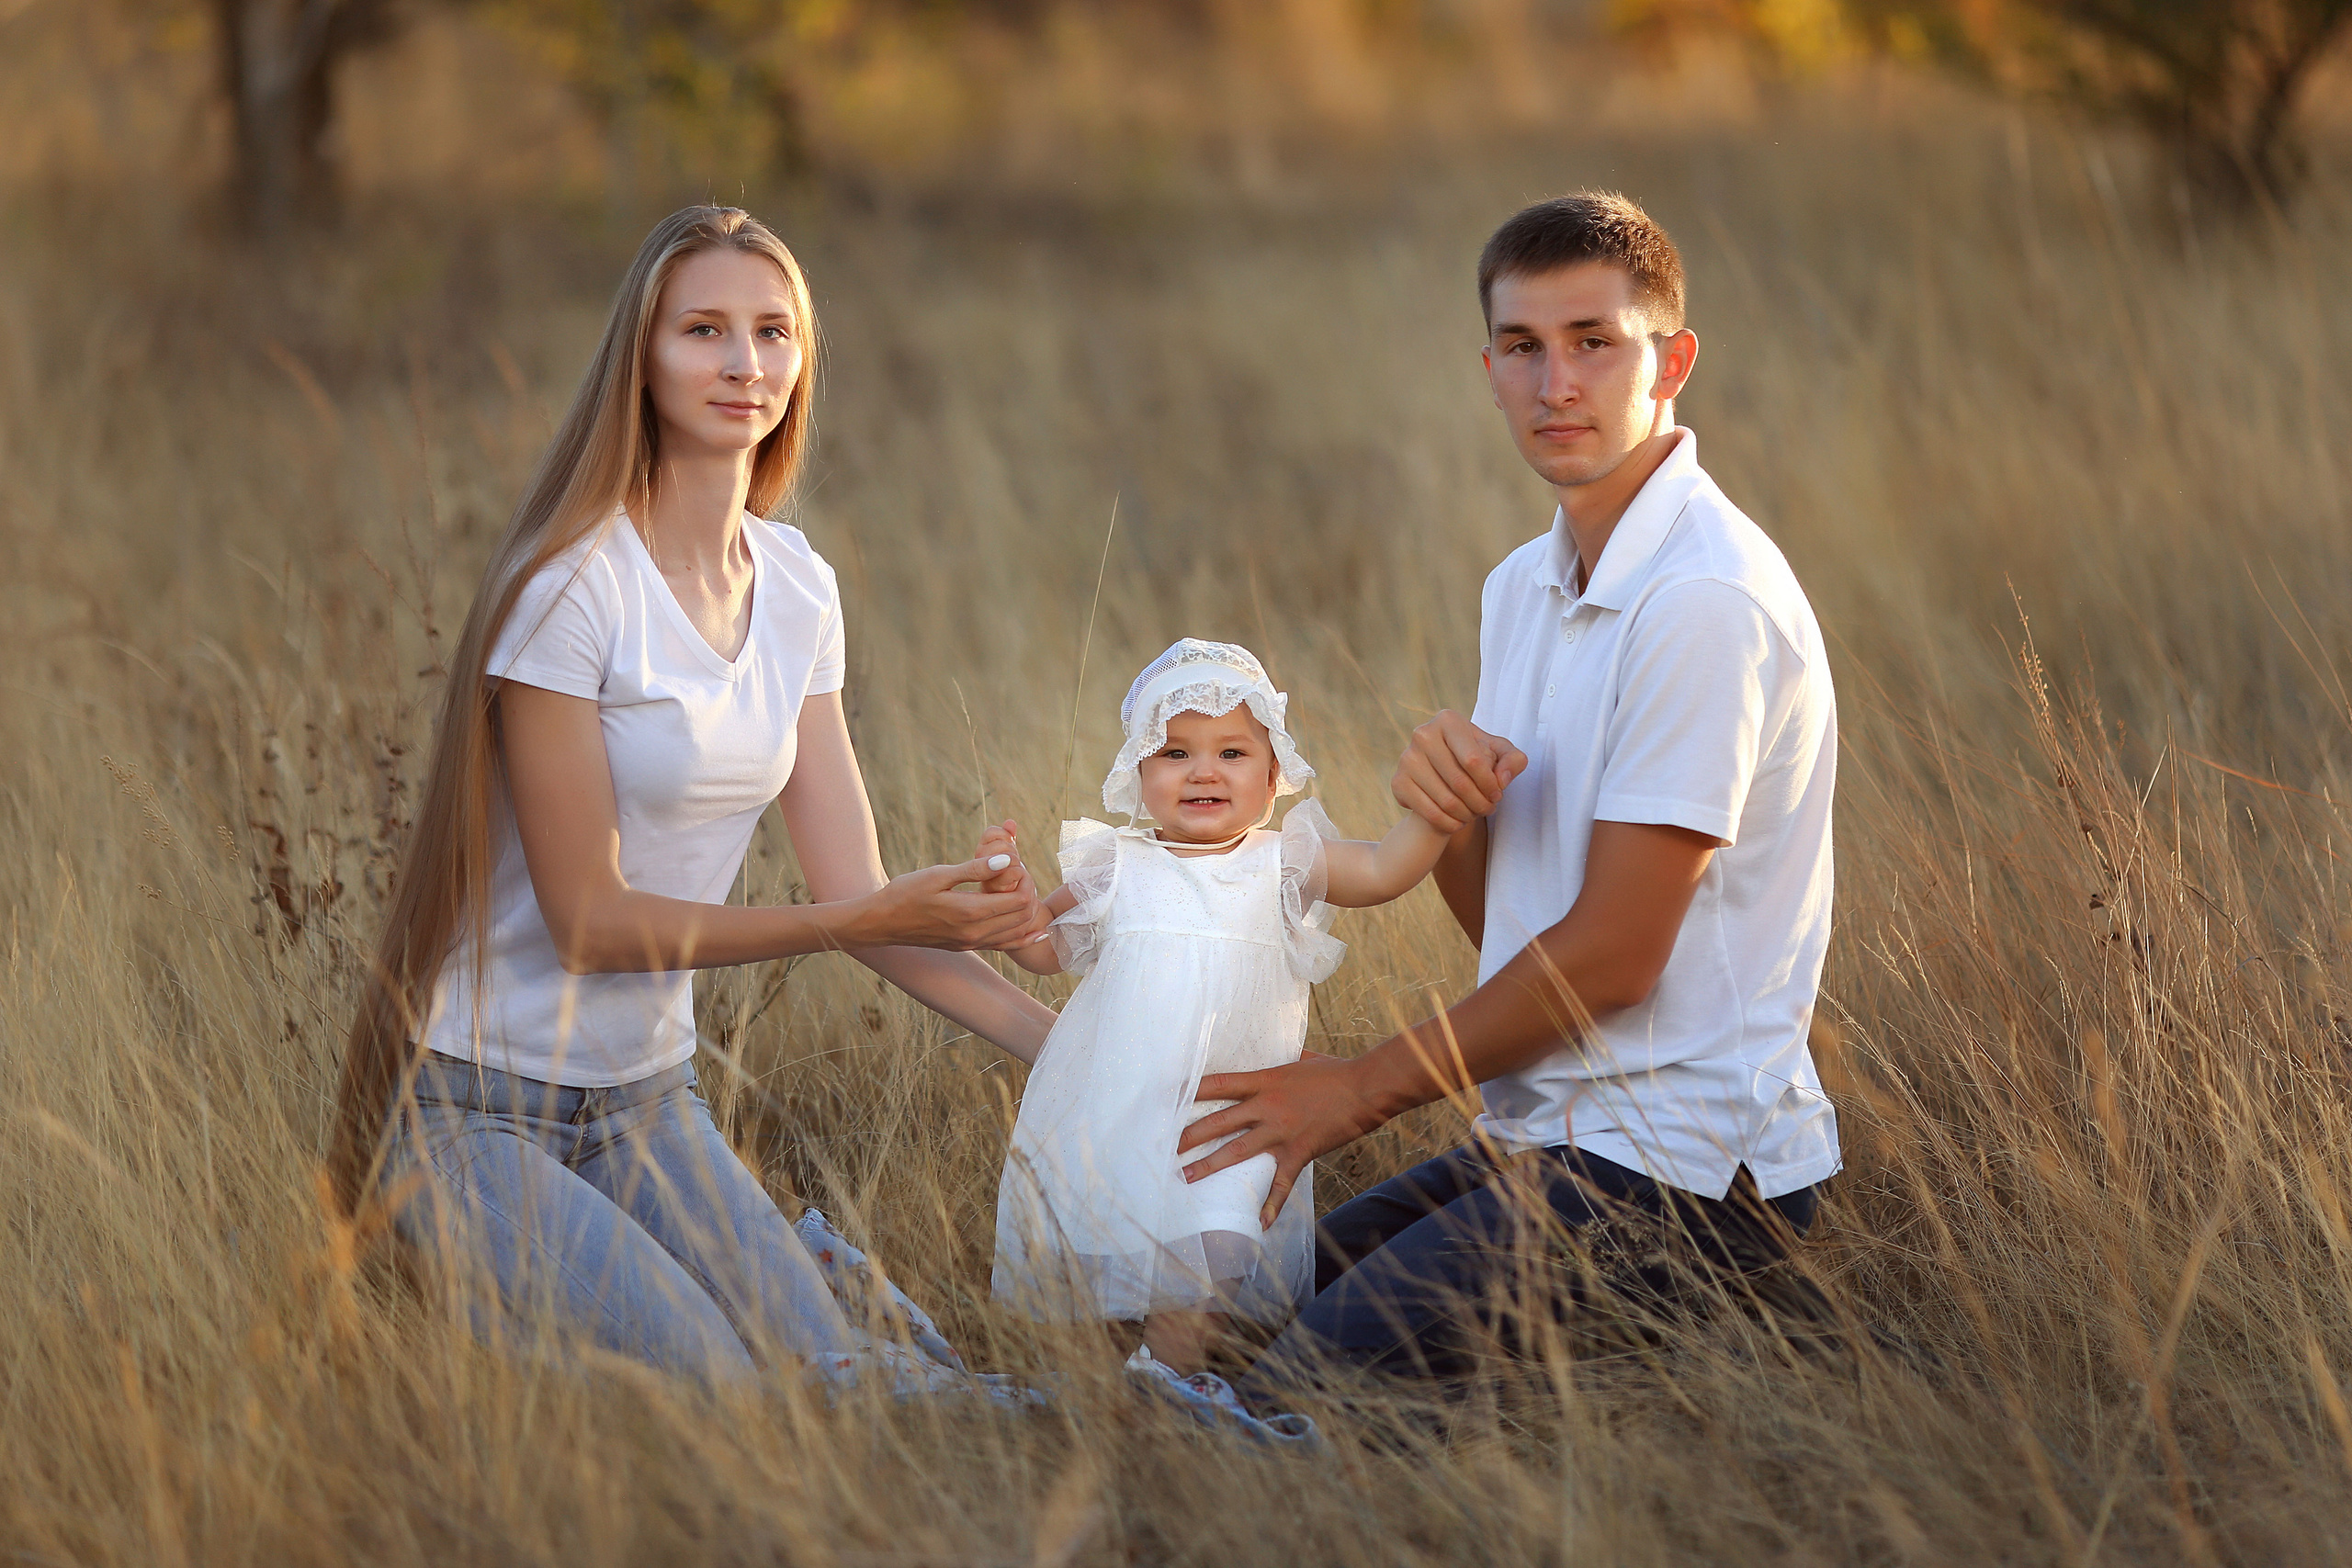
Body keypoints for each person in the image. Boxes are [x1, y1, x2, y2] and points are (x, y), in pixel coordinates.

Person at [329, 205, 1057, 1389]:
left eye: (773, 332)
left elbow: (862, 895)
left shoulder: (798, 586)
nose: (744, 364)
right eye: (704, 330)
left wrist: (1075, 1053)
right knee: (723, 1393)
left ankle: (821, 1285)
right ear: (643, 357)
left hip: (646, 1105)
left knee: (859, 1380)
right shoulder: (571, 588)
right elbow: (592, 924)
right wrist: (855, 923)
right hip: (472, 1113)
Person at [1179, 192, 1842, 1389]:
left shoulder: (1703, 599)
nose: (1558, 385)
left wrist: (1357, 1089)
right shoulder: (1520, 587)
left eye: (1596, 341)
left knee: (1289, 1405)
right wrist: (1452, 822)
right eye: (1525, 349)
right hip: (1540, 1132)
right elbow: (1515, 934)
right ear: (1487, 369)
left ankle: (1754, 1335)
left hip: (1683, 1169)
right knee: (1214, 1336)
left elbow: (1613, 961)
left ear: (1672, 360)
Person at [989, 638, 1453, 1376]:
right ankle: (1097, 1405)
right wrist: (1012, 905)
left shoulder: (1286, 861)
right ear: (1139, 773)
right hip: (1122, 1112)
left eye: (1233, 752)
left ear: (1274, 777)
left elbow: (1386, 869)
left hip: (1235, 1117)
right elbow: (1045, 948)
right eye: (1174, 752)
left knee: (1213, 1257)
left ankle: (1167, 1383)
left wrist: (1439, 813)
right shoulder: (1118, 866)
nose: (1203, 770)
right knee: (1107, 1262)